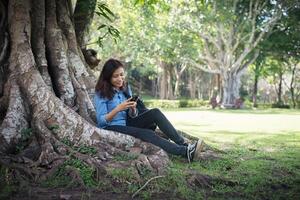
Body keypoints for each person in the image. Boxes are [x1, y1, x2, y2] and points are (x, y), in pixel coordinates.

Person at [94, 58, 203, 162]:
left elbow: (132, 115)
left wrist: (133, 109)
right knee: (147, 133)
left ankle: (183, 144)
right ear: (108, 77)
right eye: (115, 76)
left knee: (155, 112)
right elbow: (101, 121)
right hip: (111, 127)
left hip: (127, 123)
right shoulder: (101, 93)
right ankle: (185, 152)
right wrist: (118, 109)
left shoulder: (125, 88)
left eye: (122, 75)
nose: (120, 79)